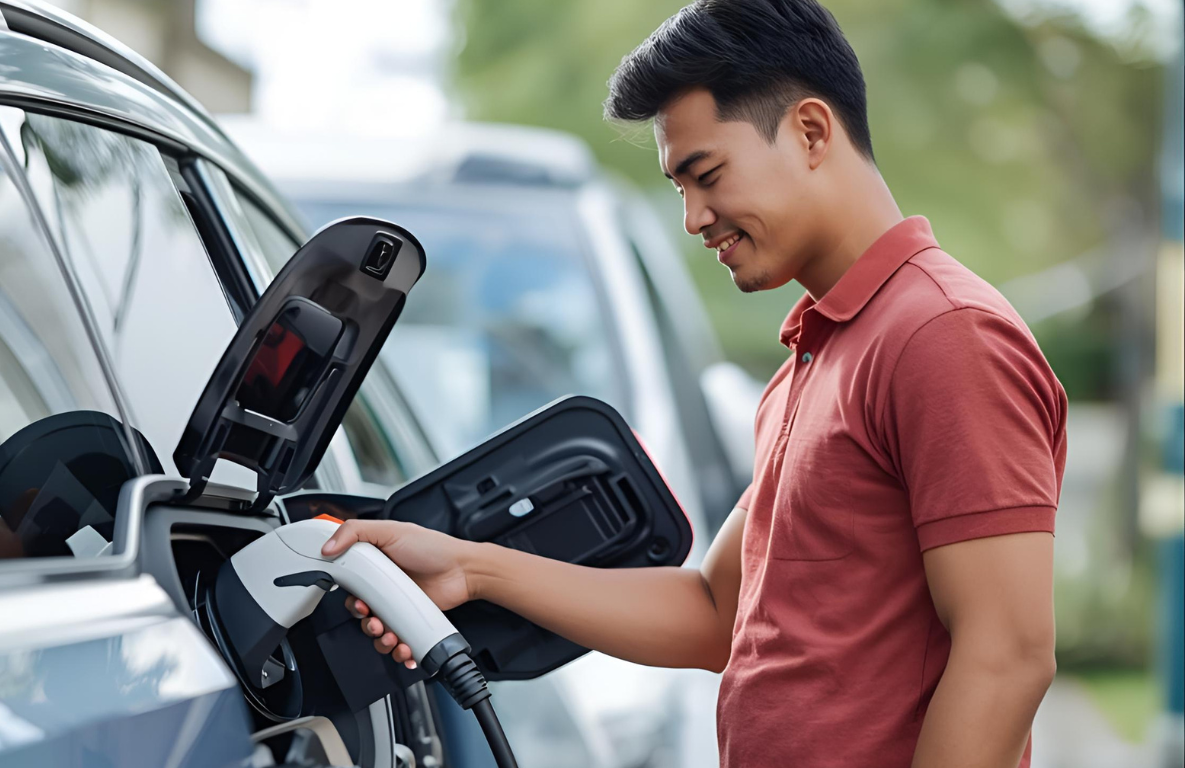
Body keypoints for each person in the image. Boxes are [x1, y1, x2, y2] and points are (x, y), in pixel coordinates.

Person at [322, 1, 1067, 765]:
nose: (692, 218)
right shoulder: (820, 356)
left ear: (811, 132)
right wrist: (470, 568)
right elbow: (717, 611)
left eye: (705, 175)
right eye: (679, 187)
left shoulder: (942, 334)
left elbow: (1007, 655)